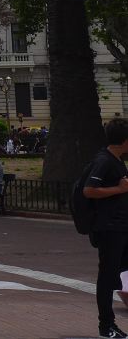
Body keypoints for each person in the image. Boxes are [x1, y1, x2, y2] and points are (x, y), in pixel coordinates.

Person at [83, 118, 128, 338]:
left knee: (115, 273)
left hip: (120, 226)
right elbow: (89, 190)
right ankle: (106, 325)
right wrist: (119, 189)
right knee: (107, 276)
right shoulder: (105, 161)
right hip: (109, 228)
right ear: (125, 141)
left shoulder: (116, 160)